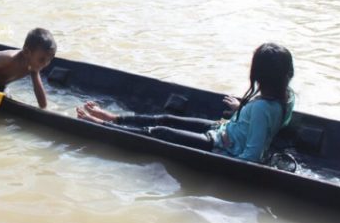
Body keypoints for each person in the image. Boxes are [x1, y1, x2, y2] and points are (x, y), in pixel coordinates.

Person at [77, 43, 296, 163]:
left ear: (259, 75)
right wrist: (243, 110)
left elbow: (252, 155)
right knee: (168, 118)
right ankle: (114, 117)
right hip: (223, 129)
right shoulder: (286, 97)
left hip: (220, 144)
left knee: (162, 131)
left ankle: (104, 126)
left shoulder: (261, 108)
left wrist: (221, 159)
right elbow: (268, 121)